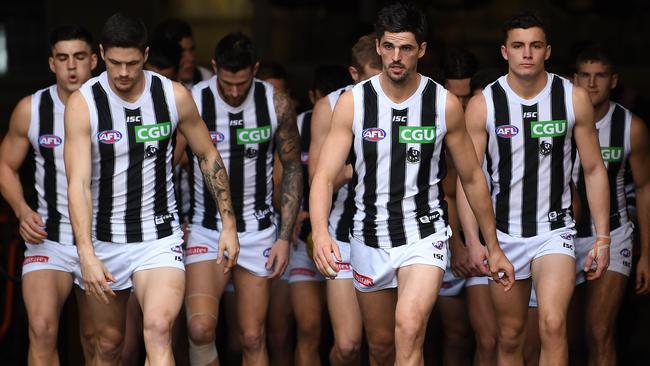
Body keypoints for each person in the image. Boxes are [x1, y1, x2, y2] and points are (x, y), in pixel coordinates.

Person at [310, 3, 514, 365]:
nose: (396, 56)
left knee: (408, 326)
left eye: (405, 48)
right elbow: (324, 176)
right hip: (368, 234)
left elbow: (471, 177)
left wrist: (491, 244)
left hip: (424, 233)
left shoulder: (444, 104)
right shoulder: (353, 103)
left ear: (421, 50)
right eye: (388, 46)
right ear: (378, 47)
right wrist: (321, 233)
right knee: (382, 347)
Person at [64, 13, 239, 365]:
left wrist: (229, 225)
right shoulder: (83, 103)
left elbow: (207, 155)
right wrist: (85, 252)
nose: (123, 72)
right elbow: (78, 183)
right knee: (110, 345)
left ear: (145, 55)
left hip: (158, 237)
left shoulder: (173, 96)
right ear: (101, 54)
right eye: (114, 63)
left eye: (131, 63)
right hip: (104, 238)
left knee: (159, 329)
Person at [457, 12, 610, 366]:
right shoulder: (484, 104)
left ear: (547, 51)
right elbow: (469, 179)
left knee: (553, 325)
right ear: (504, 51)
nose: (527, 53)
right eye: (518, 46)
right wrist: (475, 240)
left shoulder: (572, 98)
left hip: (555, 231)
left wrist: (602, 238)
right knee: (510, 337)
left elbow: (593, 169)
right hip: (504, 235)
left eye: (535, 45)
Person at [183, 32, 302, 366]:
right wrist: (175, 218)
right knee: (200, 328)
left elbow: (293, 167)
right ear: (214, 68)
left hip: (259, 229)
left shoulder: (275, 101)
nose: (235, 92)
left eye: (243, 83)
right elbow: (167, 161)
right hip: (207, 229)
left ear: (256, 69)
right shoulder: (193, 100)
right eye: (227, 82)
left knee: (252, 336)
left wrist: (282, 236)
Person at [0, 25, 97, 366]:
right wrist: (22, 210)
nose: (72, 66)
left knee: (100, 341)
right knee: (41, 328)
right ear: (52, 63)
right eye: (63, 57)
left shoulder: (115, 106)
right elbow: (5, 164)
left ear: (94, 61)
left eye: (80, 57)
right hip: (49, 238)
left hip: (105, 239)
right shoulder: (32, 108)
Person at [571, 44, 650, 365]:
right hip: (562, 237)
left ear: (614, 81)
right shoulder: (556, 121)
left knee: (599, 330)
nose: (592, 84)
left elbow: (645, 189)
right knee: (564, 334)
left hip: (614, 234)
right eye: (586, 76)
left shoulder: (633, 128)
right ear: (573, 80)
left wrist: (647, 254)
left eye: (600, 76)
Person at [308, 32, 381, 366]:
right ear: (355, 75)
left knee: (388, 343)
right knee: (349, 345)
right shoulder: (331, 106)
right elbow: (317, 180)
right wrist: (357, 169)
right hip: (342, 232)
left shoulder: (413, 100)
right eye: (372, 77)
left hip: (392, 233)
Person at [284, 64, 351, 366]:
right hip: (303, 240)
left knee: (351, 343)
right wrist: (292, 214)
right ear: (314, 99)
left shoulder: (363, 121)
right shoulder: (298, 126)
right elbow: (281, 178)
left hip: (349, 237)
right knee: (309, 328)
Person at [154, 18, 212, 89]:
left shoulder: (207, 79)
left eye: (192, 49)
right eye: (181, 52)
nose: (191, 58)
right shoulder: (152, 84)